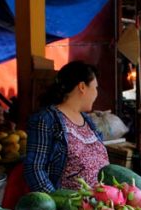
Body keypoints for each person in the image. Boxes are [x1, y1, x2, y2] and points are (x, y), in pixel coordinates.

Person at [23, 61, 109, 192]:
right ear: (82, 87)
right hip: (70, 208)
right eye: (95, 87)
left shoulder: (87, 120)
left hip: (99, 205)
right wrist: (56, 202)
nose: (96, 93)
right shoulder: (46, 119)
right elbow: (34, 169)